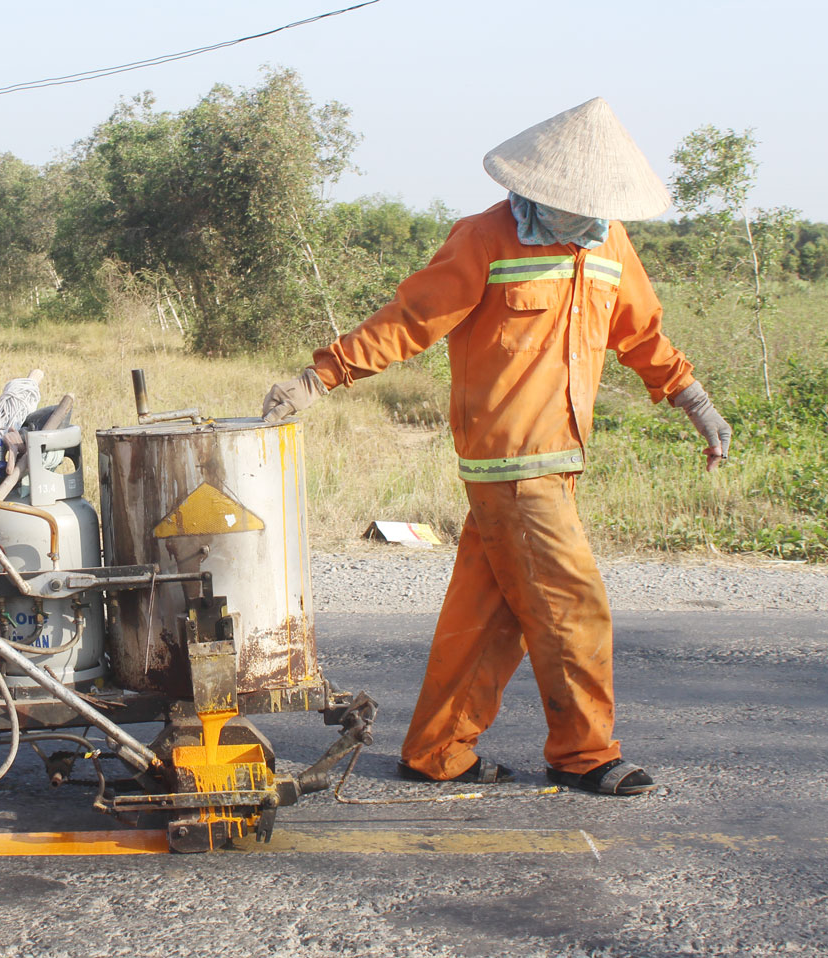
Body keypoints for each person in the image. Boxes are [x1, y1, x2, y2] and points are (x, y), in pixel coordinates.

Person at [262, 98, 732, 797]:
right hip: (512, 467)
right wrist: (319, 376)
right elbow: (412, 319)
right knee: (574, 607)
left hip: (559, 464)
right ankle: (585, 754)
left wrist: (694, 399)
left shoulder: (609, 246)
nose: (589, 213)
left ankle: (436, 751)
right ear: (541, 187)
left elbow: (641, 335)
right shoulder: (486, 237)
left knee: (492, 615)